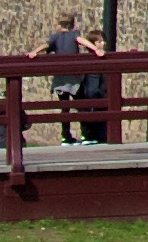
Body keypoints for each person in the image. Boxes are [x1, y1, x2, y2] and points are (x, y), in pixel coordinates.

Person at [40, 11, 87, 143]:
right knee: (82, 106)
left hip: (61, 79)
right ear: (72, 25)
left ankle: (65, 135)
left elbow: (46, 46)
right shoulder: (74, 35)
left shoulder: (55, 37)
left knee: (64, 108)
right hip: (74, 78)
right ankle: (85, 134)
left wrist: (34, 52)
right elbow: (82, 41)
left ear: (59, 26)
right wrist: (95, 49)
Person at [74, 27, 113, 145]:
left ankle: (102, 137)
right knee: (88, 114)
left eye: (104, 41)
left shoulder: (108, 58)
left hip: (103, 94)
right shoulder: (86, 59)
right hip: (90, 94)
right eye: (99, 41)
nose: (104, 43)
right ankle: (88, 136)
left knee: (103, 118)